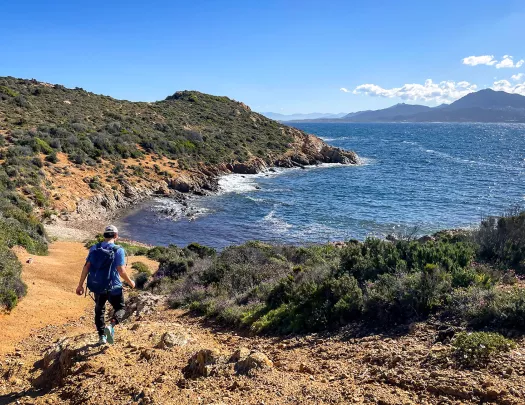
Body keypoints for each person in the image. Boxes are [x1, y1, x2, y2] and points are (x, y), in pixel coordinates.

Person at [76, 225, 135, 345]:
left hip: (98, 286)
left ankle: (101, 336)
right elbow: (121, 270)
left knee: (99, 310)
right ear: (116, 236)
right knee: (120, 308)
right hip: (114, 287)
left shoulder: (94, 248)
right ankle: (111, 326)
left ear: (104, 236)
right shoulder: (118, 250)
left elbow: (86, 267)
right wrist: (130, 282)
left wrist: (80, 285)